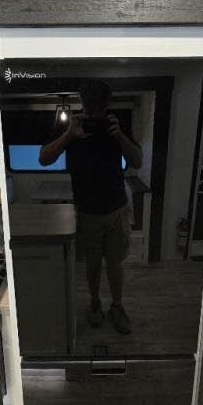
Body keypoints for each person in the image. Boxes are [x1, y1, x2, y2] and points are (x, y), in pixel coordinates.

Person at [39, 79, 142, 334]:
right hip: (87, 210)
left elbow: (137, 161)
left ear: (107, 104)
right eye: (90, 105)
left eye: (99, 106)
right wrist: (69, 135)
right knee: (93, 263)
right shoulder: (72, 126)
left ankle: (117, 306)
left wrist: (119, 135)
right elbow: (44, 159)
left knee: (115, 263)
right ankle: (95, 303)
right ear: (82, 102)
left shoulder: (115, 124)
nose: (94, 111)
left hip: (117, 208)